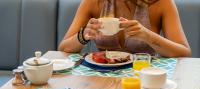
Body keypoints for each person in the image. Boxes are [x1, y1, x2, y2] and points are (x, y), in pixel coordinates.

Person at [58, 0, 191, 57]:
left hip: (145, 79)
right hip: (102, 78)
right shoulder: (94, 2)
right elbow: (64, 48)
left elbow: (184, 53)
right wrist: (83, 35)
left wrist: (148, 36)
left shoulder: (161, 3)